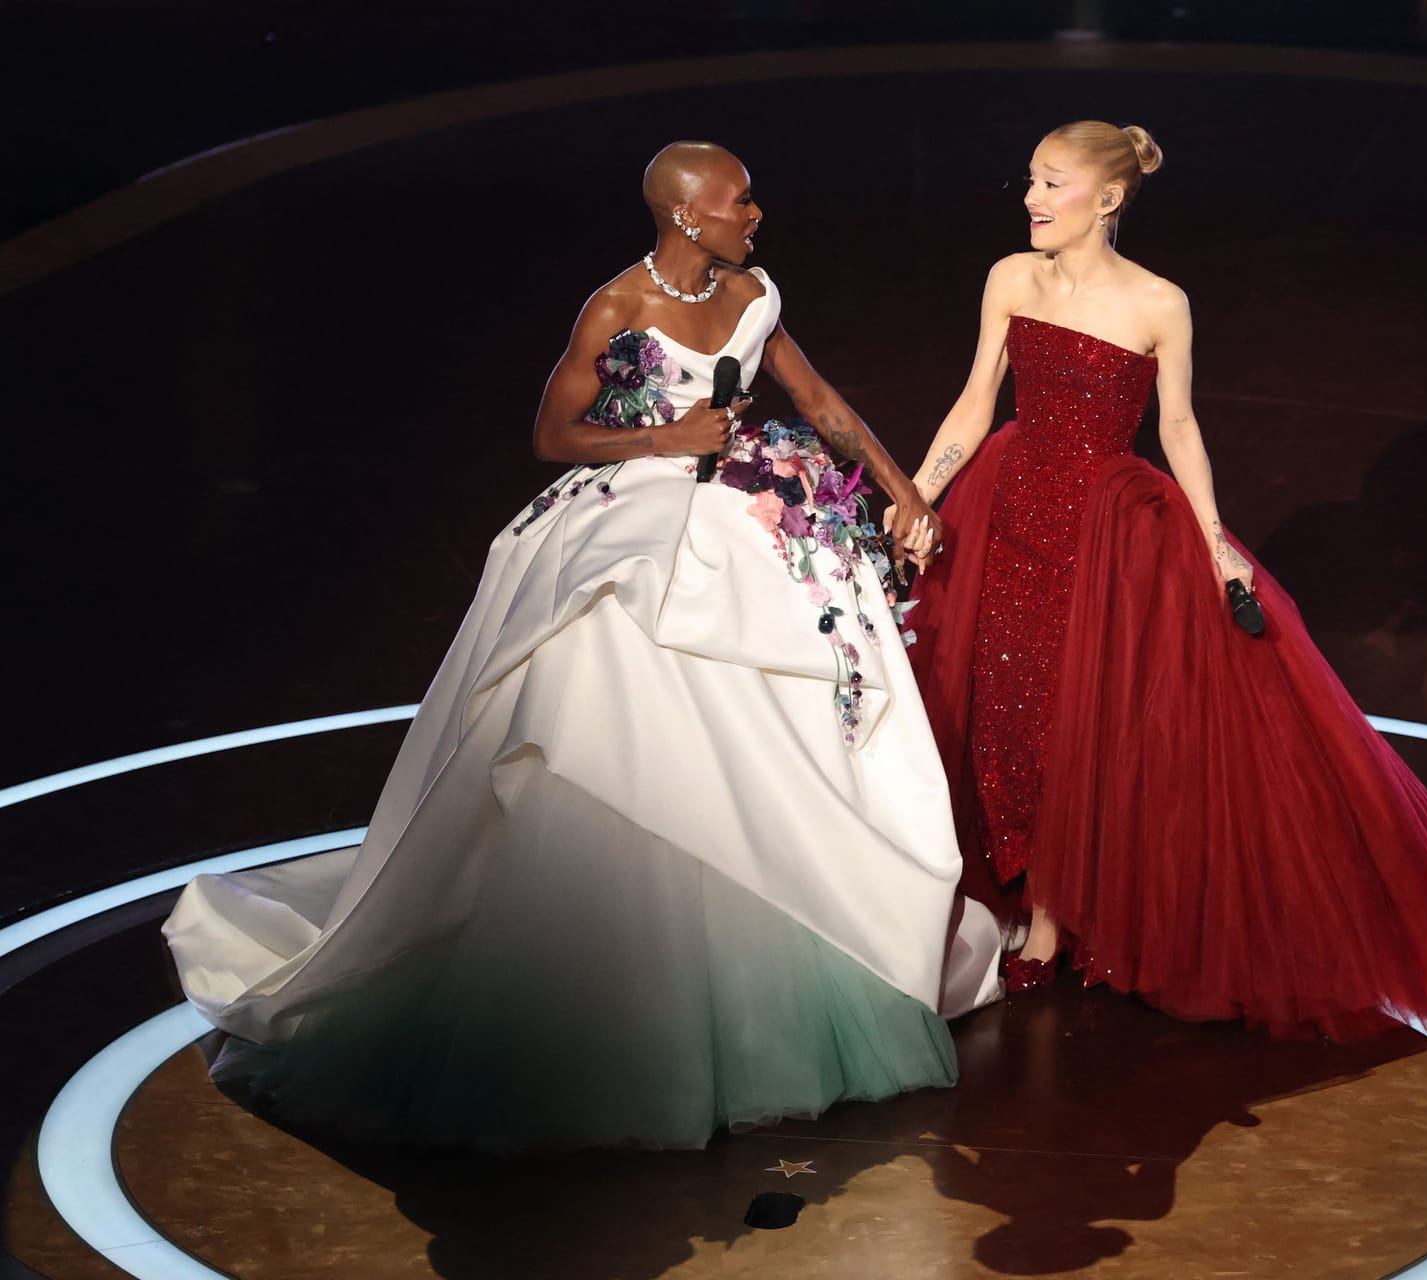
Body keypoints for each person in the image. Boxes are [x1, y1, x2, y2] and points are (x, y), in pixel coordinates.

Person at [164, 141, 1002, 1151]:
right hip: (637, 509)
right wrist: (663, 441)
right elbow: (554, 436)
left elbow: (819, 404)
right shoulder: (614, 308)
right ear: (688, 215)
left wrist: (907, 494)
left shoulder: (756, 293)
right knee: (607, 684)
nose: (757, 213)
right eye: (740, 200)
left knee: (774, 721)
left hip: (744, 511)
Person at [893, 122, 1427, 1041]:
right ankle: (1018, 889)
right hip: (1005, 510)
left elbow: (1179, 428)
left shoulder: (1159, 303)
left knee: (1083, 719)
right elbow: (975, 398)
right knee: (1002, 703)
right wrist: (920, 492)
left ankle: (1054, 916)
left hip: (1106, 531)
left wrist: (1213, 544)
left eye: (1052, 184)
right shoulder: (1010, 277)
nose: (1032, 199)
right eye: (1031, 181)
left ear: (1107, 199)